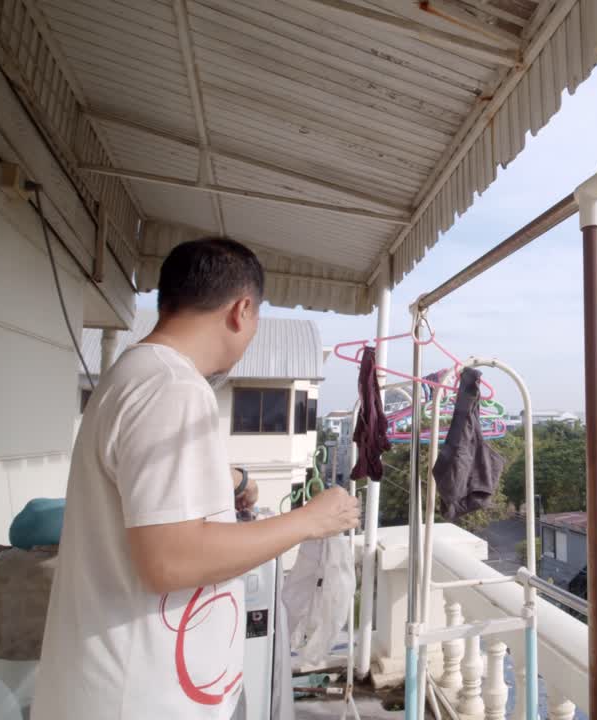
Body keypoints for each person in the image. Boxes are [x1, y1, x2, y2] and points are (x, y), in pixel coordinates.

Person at [31, 237, 359, 720]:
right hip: (142, 698)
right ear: (241, 310)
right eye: (256, 319)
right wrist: (311, 520)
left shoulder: (137, 374)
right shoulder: (173, 388)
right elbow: (172, 560)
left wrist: (227, 479)